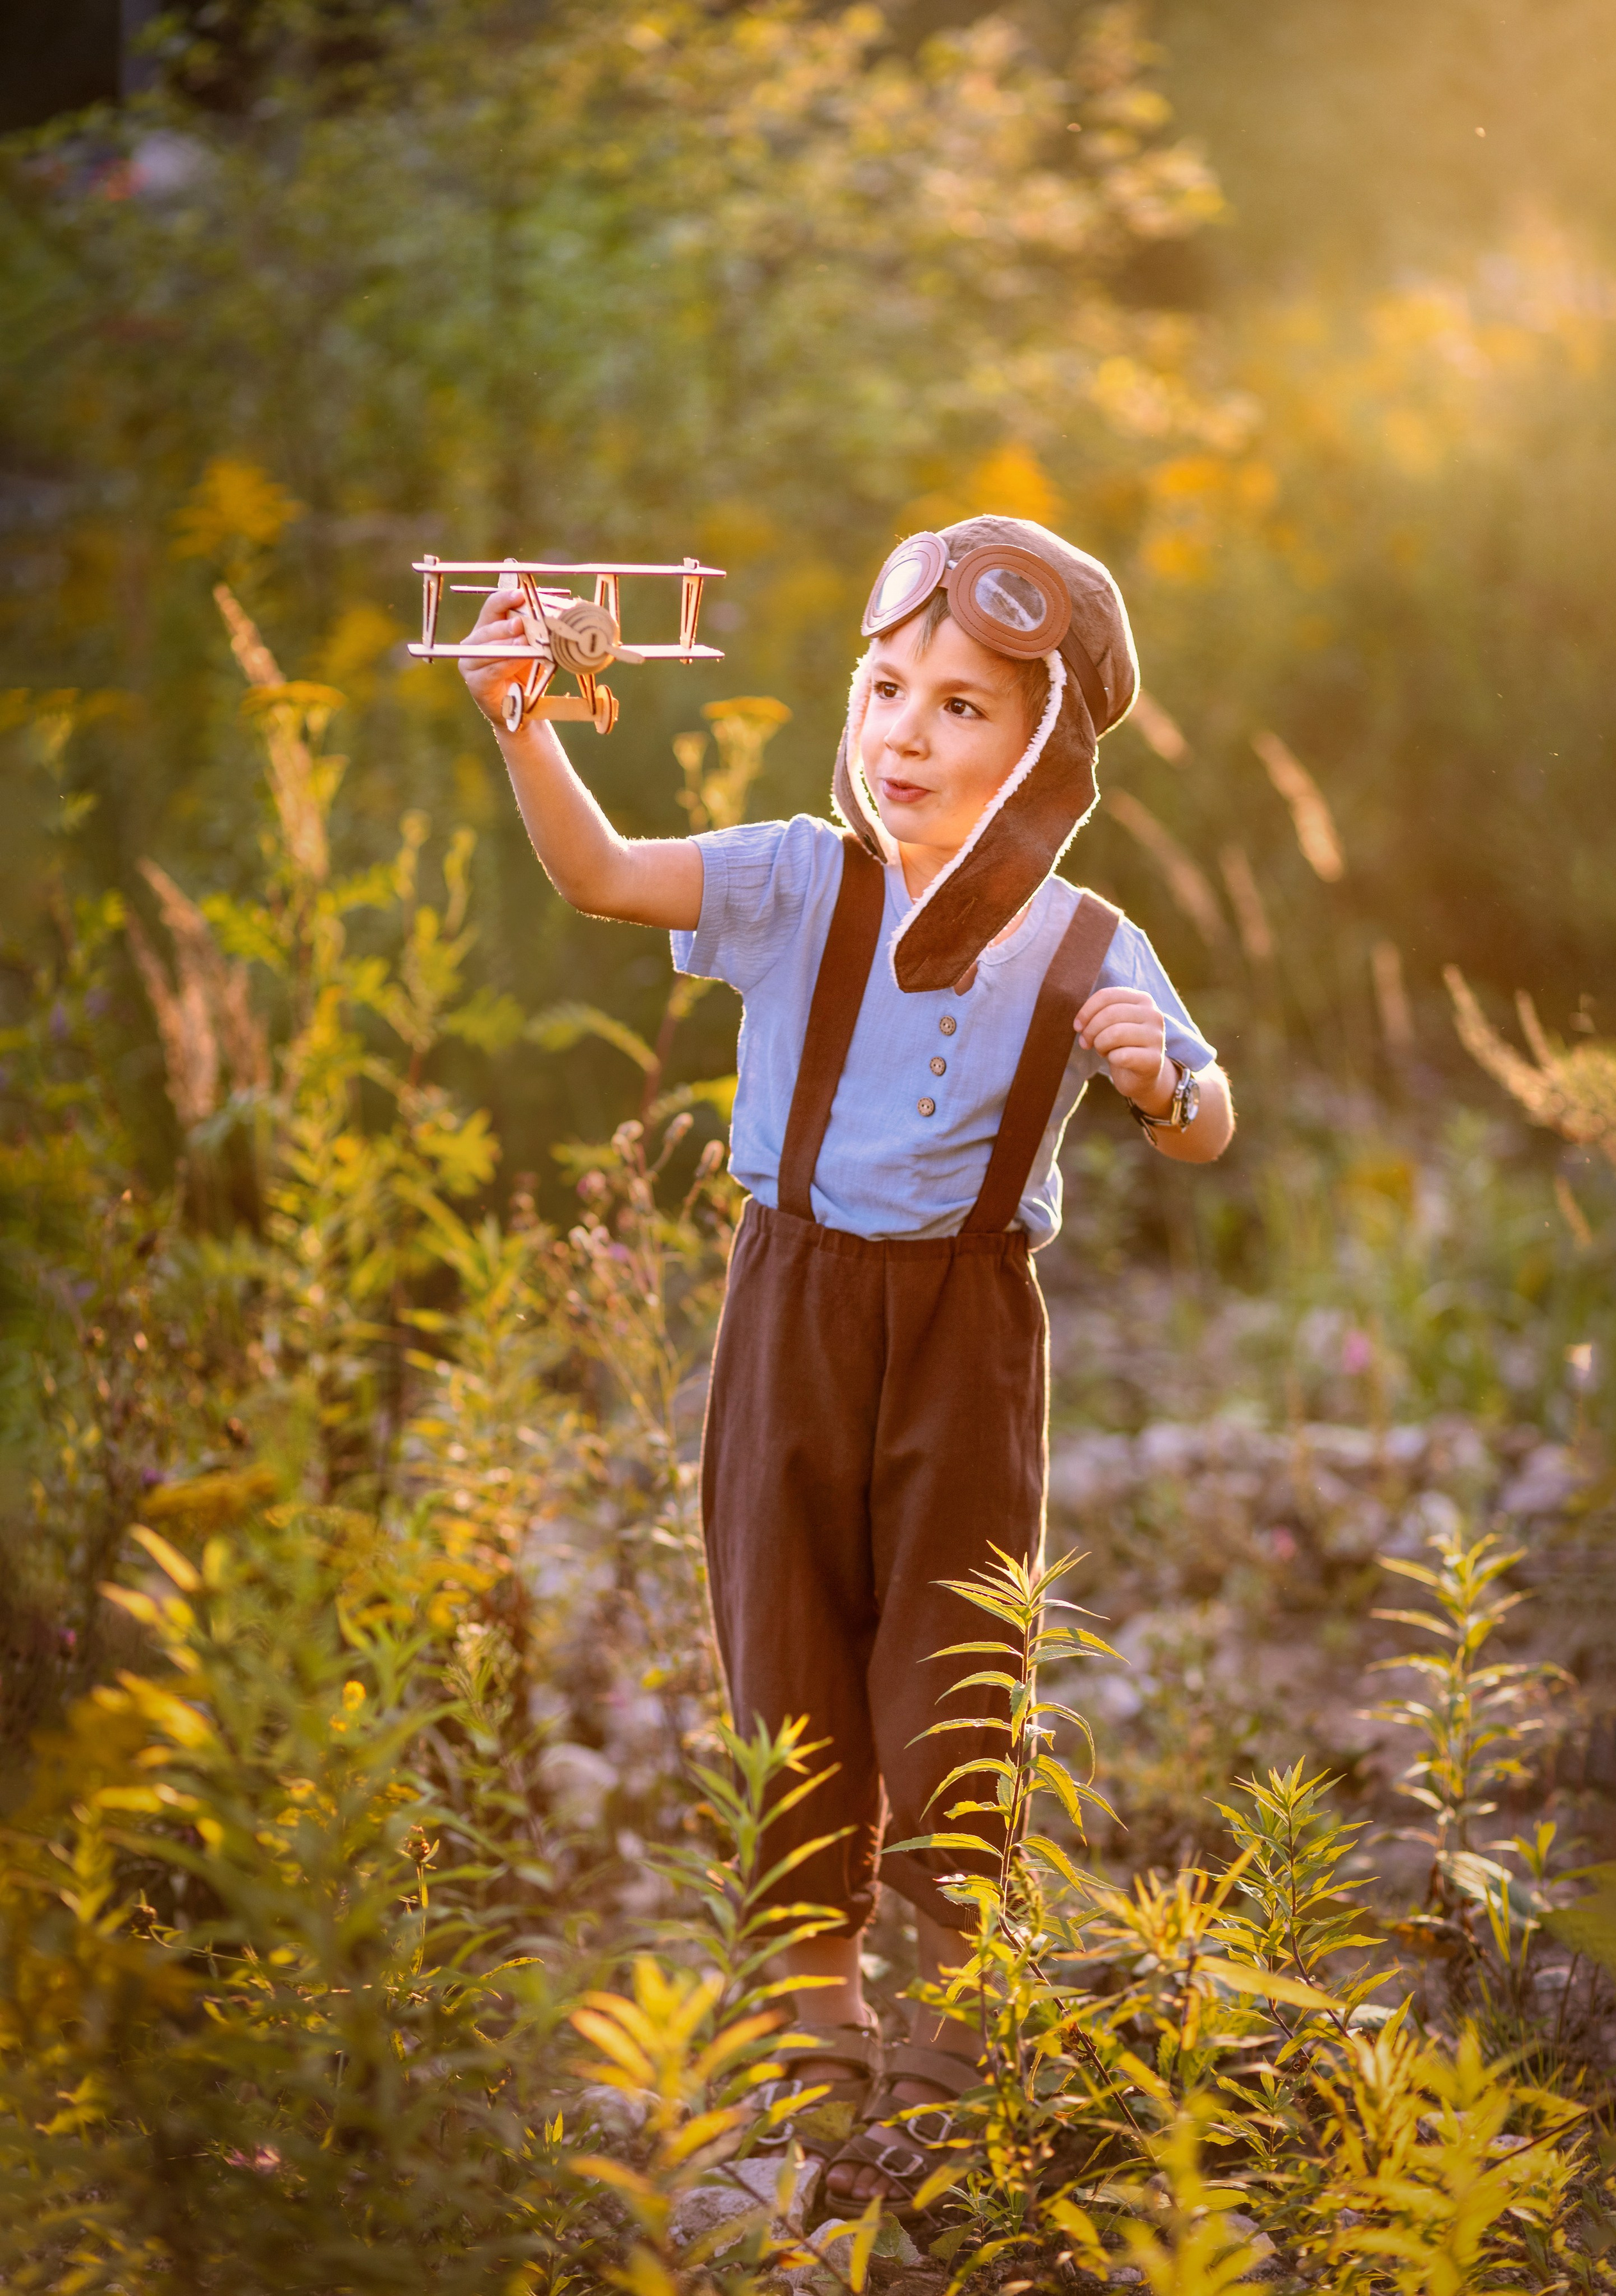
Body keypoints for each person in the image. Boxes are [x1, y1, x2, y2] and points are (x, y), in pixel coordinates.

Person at [459, 515, 1233, 2207]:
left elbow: (1204, 1114)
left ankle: (954, 2009)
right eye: (887, 690)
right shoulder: (797, 881)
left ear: (1043, 748)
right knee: (786, 1625)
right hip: (790, 1304)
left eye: (963, 707)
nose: (906, 733)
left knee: (957, 1648)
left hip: (968, 1326)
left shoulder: (1084, 941)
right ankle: (818, 2006)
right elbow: (602, 872)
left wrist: (1162, 1082)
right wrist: (522, 723)